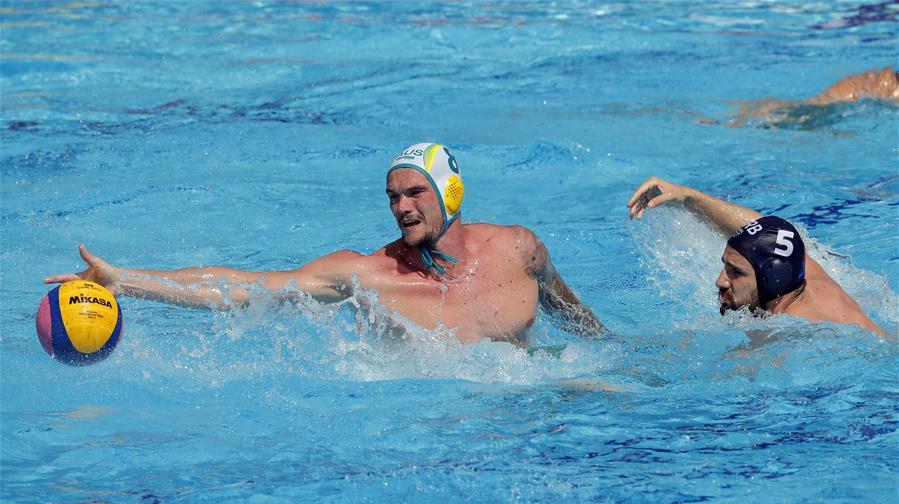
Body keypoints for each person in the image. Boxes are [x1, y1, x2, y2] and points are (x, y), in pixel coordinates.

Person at [45, 143, 605, 345]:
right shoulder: (366, 274)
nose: (401, 207)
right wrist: (126, 282)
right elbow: (242, 287)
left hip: (524, 416)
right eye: (392, 197)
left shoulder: (518, 250)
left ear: (449, 193)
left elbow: (577, 320)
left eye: (415, 193)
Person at [627, 177, 889, 337]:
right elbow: (765, 229)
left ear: (771, 279)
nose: (720, 280)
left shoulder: (795, 331)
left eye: (736, 272)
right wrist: (687, 196)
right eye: (726, 266)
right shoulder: (795, 268)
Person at [730, 66, 898, 127]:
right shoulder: (883, 84)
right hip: (879, 86)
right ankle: (751, 114)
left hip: (882, 84)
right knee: (809, 110)